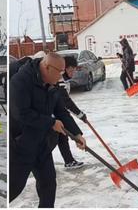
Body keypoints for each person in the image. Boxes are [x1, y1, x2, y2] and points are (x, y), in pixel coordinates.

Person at [10, 52, 86, 208]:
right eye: (58, 71)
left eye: (62, 72)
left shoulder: (52, 82)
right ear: (46, 67)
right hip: (21, 145)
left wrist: (77, 134)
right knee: (14, 188)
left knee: (48, 185)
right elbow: (21, 113)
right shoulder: (20, 81)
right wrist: (50, 122)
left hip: (42, 144)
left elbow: (61, 111)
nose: (60, 76)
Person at [57, 55, 86, 170]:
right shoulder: (58, 79)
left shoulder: (62, 79)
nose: (74, 72)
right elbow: (66, 102)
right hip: (50, 115)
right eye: (73, 69)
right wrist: (80, 114)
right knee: (50, 141)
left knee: (62, 137)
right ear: (67, 68)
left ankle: (69, 161)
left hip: (55, 114)